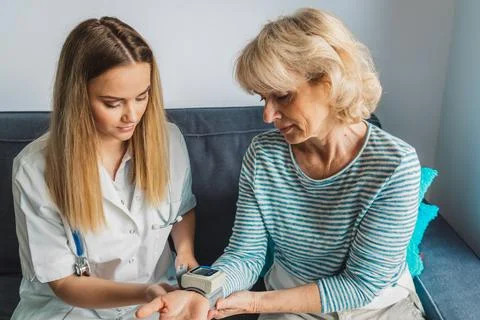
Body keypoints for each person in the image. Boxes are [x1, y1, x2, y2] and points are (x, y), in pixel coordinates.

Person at [136, 7, 425, 320]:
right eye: (263, 99)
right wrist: (200, 293)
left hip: (378, 309)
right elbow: (245, 256)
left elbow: (360, 284)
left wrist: (256, 303)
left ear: (329, 81)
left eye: (283, 96)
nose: (267, 115)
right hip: (291, 307)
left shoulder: (395, 166)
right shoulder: (264, 156)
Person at [11, 17, 198, 319]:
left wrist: (186, 255)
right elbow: (64, 283)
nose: (132, 115)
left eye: (142, 97)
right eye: (113, 103)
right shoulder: (34, 169)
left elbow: (182, 209)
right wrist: (145, 291)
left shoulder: (169, 141)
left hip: (157, 301)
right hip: (72, 309)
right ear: (77, 96)